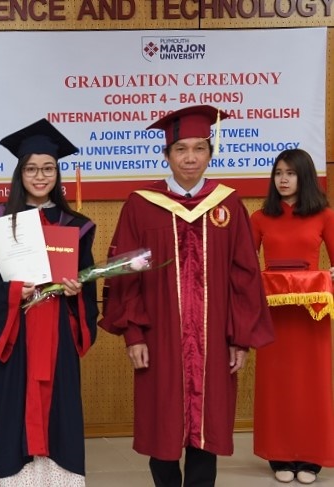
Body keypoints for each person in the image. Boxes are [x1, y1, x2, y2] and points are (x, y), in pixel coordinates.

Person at [99, 105, 275, 487]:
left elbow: (244, 276)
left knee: (207, 428)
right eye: (181, 149)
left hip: (214, 341)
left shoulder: (228, 204)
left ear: (211, 153)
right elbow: (126, 274)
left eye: (199, 148)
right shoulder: (141, 205)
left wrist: (240, 338)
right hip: (159, 339)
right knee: (162, 428)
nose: (190, 157)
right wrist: (133, 335)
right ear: (167, 154)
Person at [0, 119, 98, 486]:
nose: (40, 176)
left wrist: (75, 291)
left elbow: (87, 285)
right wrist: (13, 292)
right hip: (16, 337)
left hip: (57, 337)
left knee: (60, 414)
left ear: (57, 173)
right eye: (31, 169)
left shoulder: (76, 225)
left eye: (48, 168)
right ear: (19, 173)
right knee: (13, 414)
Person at [250, 148, 334, 485]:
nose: (283, 179)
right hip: (274, 315)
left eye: (291, 173)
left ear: (305, 176)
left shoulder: (324, 215)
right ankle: (280, 454)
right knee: (277, 385)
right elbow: (244, 266)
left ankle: (311, 458)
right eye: (278, 173)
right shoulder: (259, 217)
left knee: (311, 384)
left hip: (311, 314)